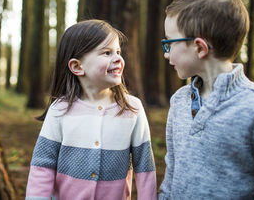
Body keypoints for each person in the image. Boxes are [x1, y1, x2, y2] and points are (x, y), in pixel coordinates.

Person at [159, 0, 254, 199]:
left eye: (169, 43)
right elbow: (170, 178)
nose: (166, 54)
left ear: (199, 48)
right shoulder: (179, 101)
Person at [26, 19, 157, 200]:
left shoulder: (132, 109)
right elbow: (43, 165)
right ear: (77, 66)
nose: (118, 58)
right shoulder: (60, 109)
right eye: (106, 53)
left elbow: (145, 167)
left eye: (118, 52)